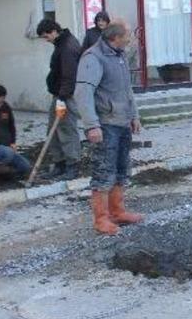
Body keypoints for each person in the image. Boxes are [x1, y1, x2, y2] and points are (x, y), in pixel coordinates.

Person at [75, 22, 143, 235]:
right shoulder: (93, 58)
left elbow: (126, 89)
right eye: (128, 36)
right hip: (105, 124)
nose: (131, 40)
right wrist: (92, 125)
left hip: (121, 122)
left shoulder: (119, 55)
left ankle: (117, 212)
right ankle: (101, 219)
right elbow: (83, 93)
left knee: (121, 170)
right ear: (116, 37)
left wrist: (134, 115)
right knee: (104, 172)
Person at [36, 19, 82, 180]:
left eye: (46, 36)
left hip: (66, 96)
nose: (46, 40)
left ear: (53, 31)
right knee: (53, 130)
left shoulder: (68, 47)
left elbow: (70, 76)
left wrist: (62, 97)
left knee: (66, 129)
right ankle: (59, 164)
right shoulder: (61, 44)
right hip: (59, 94)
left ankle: (72, 166)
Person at [0, 85, 31, 180]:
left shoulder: (6, 107)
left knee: (25, 166)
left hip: (5, 147)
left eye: (2, 102)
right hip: (2, 150)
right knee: (7, 153)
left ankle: (2, 170)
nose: (0, 105)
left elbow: (11, 127)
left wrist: (12, 142)